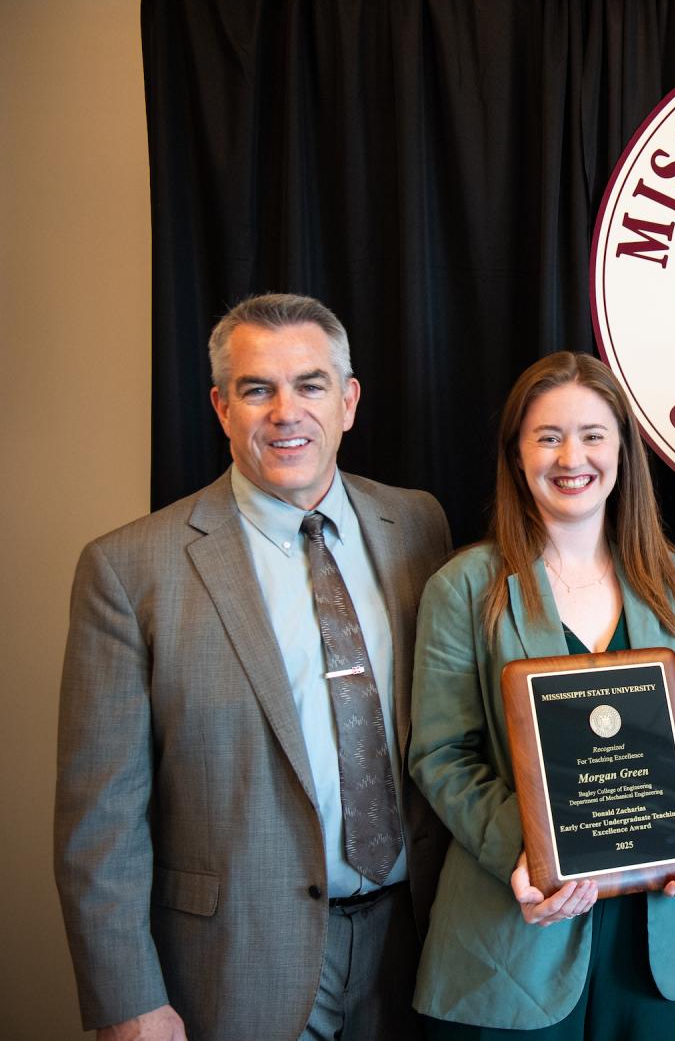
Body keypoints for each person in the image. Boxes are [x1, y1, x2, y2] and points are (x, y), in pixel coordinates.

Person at [54, 293, 454, 1041]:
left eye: (309, 384)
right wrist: (126, 1001)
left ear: (349, 401)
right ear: (221, 407)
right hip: (233, 967)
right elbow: (98, 821)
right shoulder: (129, 568)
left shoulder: (419, 526)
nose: (285, 412)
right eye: (256, 389)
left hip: (416, 949)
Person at [407, 351, 675, 1039]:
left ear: (622, 449)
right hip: (511, 941)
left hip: (657, 949)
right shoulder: (465, 587)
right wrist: (527, 855)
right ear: (517, 454)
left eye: (592, 434)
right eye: (547, 435)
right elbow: (441, 752)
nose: (570, 456)